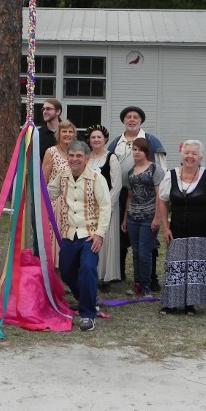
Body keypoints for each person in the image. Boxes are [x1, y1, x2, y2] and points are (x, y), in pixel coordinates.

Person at [48, 140, 111, 332]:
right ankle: (87, 298)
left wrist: (99, 234)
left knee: (87, 268)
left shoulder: (96, 178)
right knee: (66, 270)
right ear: (67, 157)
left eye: (79, 156)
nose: (75, 159)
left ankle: (88, 314)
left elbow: (105, 207)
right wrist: (31, 182)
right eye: (71, 155)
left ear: (87, 158)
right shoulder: (62, 176)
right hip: (68, 233)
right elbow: (48, 193)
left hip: (89, 235)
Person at [158, 140, 206, 315]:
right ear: (182, 155)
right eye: (187, 153)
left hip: (201, 230)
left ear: (200, 158)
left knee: (195, 268)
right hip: (177, 228)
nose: (190, 157)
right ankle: (170, 303)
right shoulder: (171, 176)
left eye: (194, 154)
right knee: (174, 266)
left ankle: (190, 304)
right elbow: (162, 202)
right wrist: (165, 227)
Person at [108, 106, 167, 286]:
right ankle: (120, 275)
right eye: (128, 117)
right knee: (122, 233)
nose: (132, 120)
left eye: (135, 117)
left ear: (140, 121)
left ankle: (151, 278)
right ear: (124, 121)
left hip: (149, 194)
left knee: (148, 237)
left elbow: (162, 169)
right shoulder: (116, 142)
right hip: (123, 193)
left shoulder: (151, 140)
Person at [122, 138, 164, 298]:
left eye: (140, 149)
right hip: (133, 216)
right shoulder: (130, 172)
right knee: (136, 251)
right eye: (134, 149)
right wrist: (125, 218)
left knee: (145, 252)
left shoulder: (155, 169)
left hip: (149, 216)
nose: (136, 152)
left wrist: (157, 218)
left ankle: (146, 286)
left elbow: (160, 195)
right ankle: (137, 284)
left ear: (146, 152)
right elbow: (130, 196)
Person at [86, 124, 122, 290]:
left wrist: (107, 207)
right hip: (88, 207)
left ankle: (105, 276)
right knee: (89, 239)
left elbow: (117, 185)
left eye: (99, 137)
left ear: (105, 139)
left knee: (105, 240)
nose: (96, 140)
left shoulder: (111, 158)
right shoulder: (86, 158)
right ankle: (90, 272)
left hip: (106, 207)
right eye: (93, 137)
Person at [42, 119, 77, 266]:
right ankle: (54, 272)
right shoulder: (51, 152)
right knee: (54, 238)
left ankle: (68, 271)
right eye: (64, 131)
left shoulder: (77, 152)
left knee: (71, 237)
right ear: (58, 134)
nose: (67, 134)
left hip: (74, 202)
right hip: (55, 202)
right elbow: (43, 178)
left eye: (70, 131)